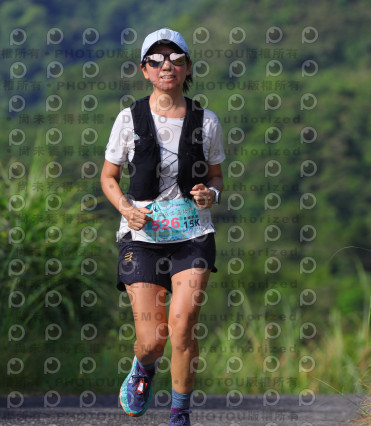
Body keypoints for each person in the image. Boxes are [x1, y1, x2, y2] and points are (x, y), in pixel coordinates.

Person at [100, 28, 225, 426]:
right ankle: (144, 367)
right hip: (143, 238)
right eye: (156, 60)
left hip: (193, 236)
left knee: (183, 327)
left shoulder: (206, 121)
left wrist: (210, 194)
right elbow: (108, 177)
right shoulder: (128, 119)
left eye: (175, 59)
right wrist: (126, 209)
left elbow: (217, 177)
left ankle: (179, 414)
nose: (166, 65)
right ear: (145, 70)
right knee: (153, 341)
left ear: (187, 68)